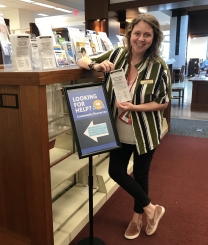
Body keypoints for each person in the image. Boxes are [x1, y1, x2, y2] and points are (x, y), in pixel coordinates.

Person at [77, 14, 171, 240]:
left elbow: (163, 101)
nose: (141, 39)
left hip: (144, 131)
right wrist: (96, 65)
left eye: (147, 35)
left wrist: (135, 107)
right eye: (137, 33)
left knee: (141, 175)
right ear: (129, 34)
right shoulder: (117, 55)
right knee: (115, 171)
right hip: (117, 129)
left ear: (154, 38)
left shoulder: (158, 66)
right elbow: (81, 59)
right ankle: (151, 209)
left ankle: (137, 219)